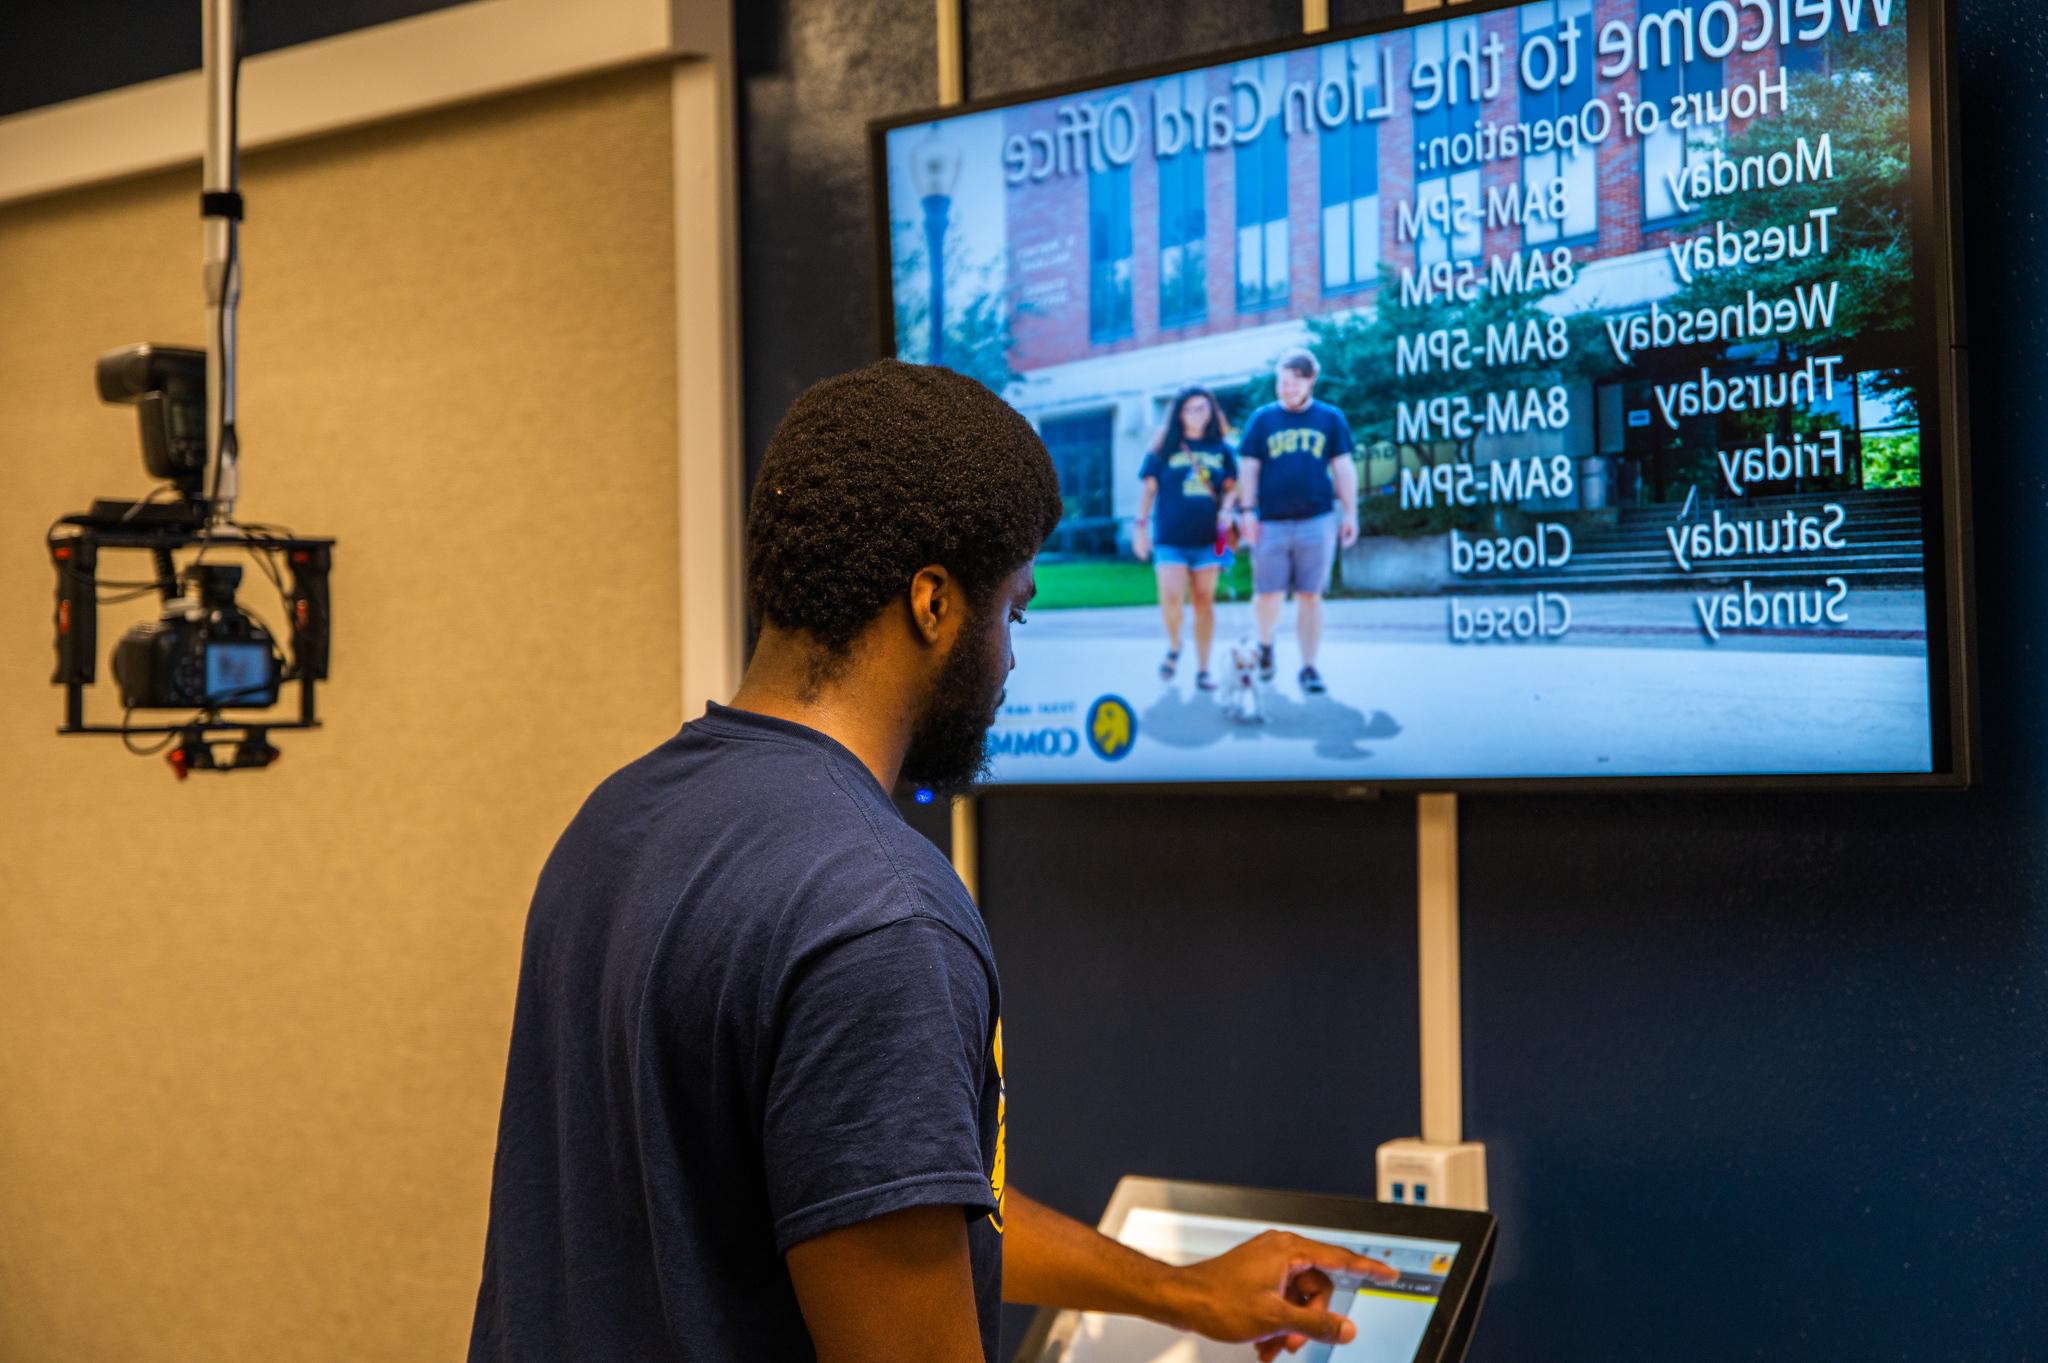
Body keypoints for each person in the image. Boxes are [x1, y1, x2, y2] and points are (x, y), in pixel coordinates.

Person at [467, 359, 1395, 1363]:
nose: (1008, 657)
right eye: (1013, 612)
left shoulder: (619, 819)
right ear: (932, 603)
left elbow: (860, 1206)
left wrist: (1175, 1291)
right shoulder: (878, 913)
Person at [1235, 349, 1360, 695]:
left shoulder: (1330, 419)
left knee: (1310, 596)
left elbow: (1343, 467)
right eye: (1281, 382)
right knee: (1267, 596)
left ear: (1310, 381)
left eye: (1293, 383)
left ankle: (1309, 667)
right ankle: (1265, 644)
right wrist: (1247, 511)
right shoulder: (1262, 420)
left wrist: (1350, 512)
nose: (1286, 389)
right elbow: (1249, 467)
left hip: (1316, 520)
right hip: (1270, 522)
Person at [1133, 386, 1238, 692]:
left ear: (1212, 411)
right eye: (1191, 409)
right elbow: (1149, 490)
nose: (1197, 414)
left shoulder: (1222, 448)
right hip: (1170, 539)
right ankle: (1175, 645)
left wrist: (1227, 510)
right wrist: (1140, 528)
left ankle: (1204, 669)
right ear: (1180, 413)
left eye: (1203, 408)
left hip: (1209, 541)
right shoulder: (1165, 445)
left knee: (1205, 603)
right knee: (1171, 600)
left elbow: (1231, 487)